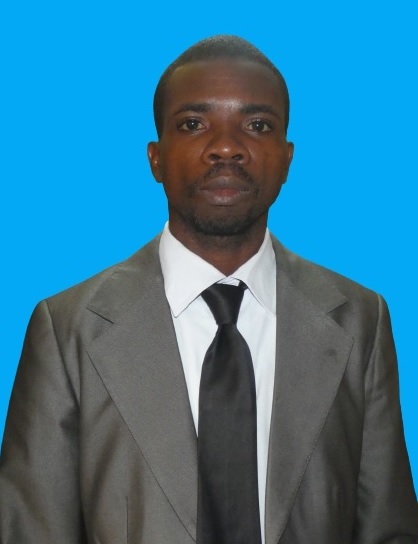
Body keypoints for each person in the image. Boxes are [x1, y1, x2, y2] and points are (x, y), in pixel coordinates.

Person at [0, 35, 417, 544]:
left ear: (287, 159)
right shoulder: (67, 330)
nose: (226, 147)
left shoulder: (360, 320)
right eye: (193, 124)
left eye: (257, 125)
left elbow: (389, 528)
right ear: (155, 158)